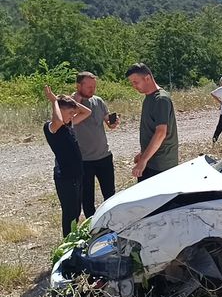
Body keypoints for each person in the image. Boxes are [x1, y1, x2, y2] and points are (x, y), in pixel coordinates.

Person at [43, 86, 92, 237]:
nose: (73, 116)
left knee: (77, 210)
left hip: (77, 174)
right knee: (69, 212)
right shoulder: (51, 127)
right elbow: (57, 119)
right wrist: (54, 102)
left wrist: (70, 102)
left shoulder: (68, 124)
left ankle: (73, 237)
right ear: (60, 110)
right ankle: (67, 242)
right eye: (70, 113)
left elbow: (86, 112)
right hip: (65, 177)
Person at [73, 71, 119, 217]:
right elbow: (68, 122)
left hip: (104, 156)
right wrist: (76, 101)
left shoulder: (98, 101)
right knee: (87, 197)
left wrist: (113, 123)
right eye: (89, 87)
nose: (92, 90)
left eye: (94, 86)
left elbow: (107, 121)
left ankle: (112, 221)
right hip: (84, 159)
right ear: (78, 86)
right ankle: (92, 225)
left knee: (110, 194)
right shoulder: (69, 104)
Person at [125, 63, 179, 181]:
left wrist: (143, 160)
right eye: (132, 83)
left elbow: (160, 133)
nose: (134, 86)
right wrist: (143, 155)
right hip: (151, 161)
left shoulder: (161, 99)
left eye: (135, 82)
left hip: (161, 165)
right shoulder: (149, 98)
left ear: (147, 78)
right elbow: (151, 130)